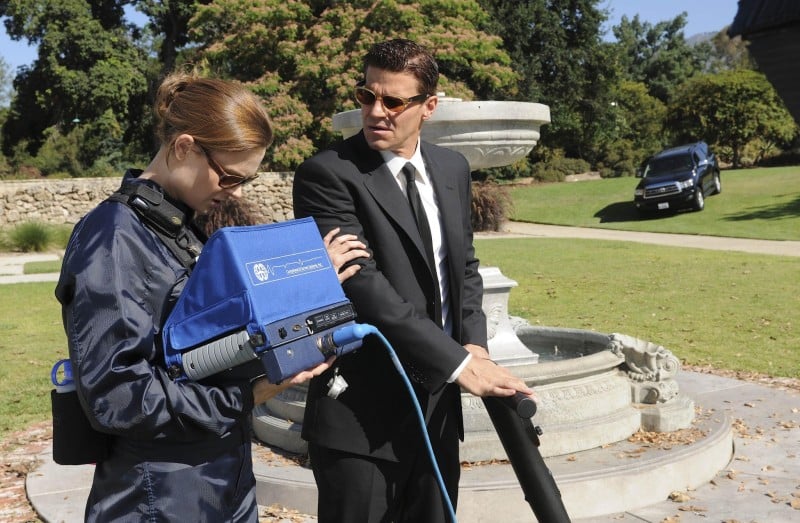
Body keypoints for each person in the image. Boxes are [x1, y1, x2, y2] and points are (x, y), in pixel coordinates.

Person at [55, 71, 367, 522]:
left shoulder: (181, 227)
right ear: (184, 147)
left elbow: (212, 330)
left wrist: (309, 281)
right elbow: (119, 396)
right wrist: (254, 394)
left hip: (221, 479)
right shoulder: (113, 239)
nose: (235, 192)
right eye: (229, 177)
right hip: (159, 492)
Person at [293, 39, 534, 522]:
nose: (376, 112)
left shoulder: (453, 168)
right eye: (367, 96)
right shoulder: (327, 174)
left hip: (437, 415)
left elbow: (464, 266)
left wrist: (475, 343)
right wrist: (460, 363)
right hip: (360, 420)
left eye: (394, 101)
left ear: (428, 107)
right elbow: (362, 285)